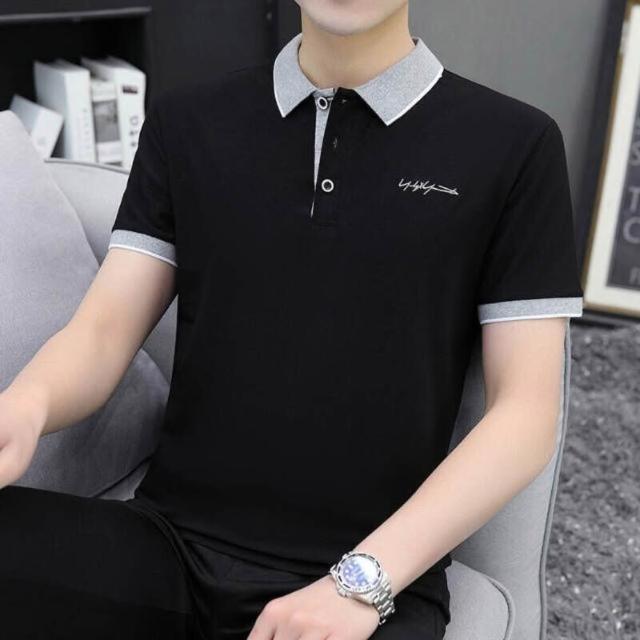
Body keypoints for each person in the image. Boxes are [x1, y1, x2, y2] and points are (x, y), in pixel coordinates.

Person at [0, 1, 584, 639]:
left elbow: (525, 414)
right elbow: (102, 333)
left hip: (368, 580)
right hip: (166, 546)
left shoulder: (516, 146)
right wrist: (26, 405)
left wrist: (360, 584)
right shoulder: (187, 122)